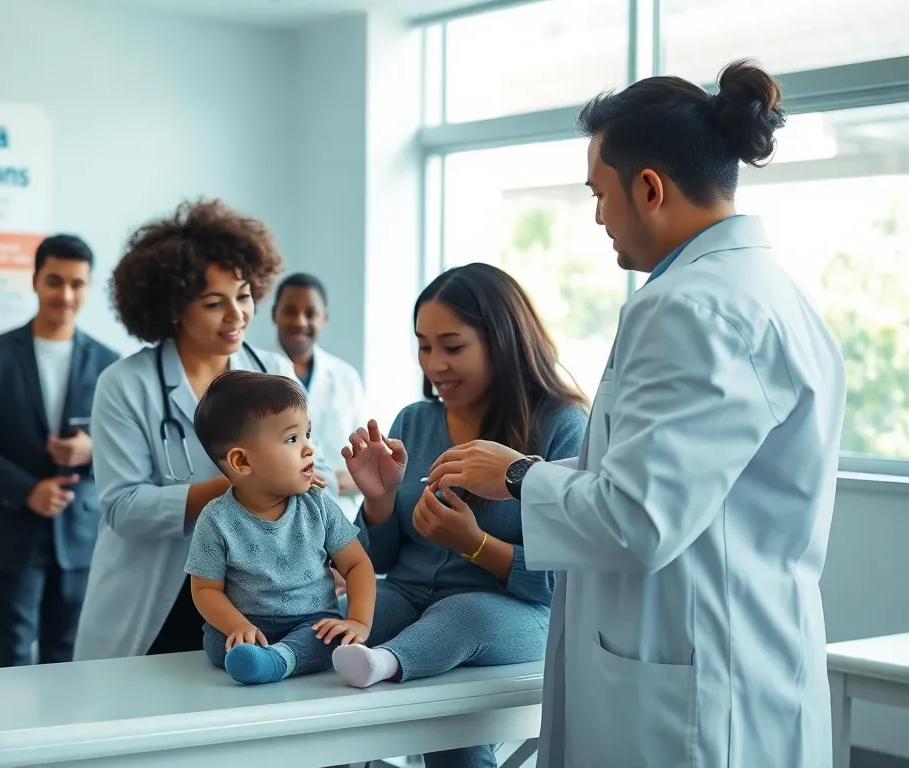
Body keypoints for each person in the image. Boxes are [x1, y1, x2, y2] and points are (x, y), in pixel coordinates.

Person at [427, 60, 846, 768]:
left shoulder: (690, 307)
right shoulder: (766, 290)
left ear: (648, 188)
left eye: (598, 193)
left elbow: (640, 518)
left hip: (692, 690)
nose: (597, 216)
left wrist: (522, 476)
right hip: (730, 653)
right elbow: (678, 481)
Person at [339, 264, 587, 768]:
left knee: (460, 616)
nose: (434, 364)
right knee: (349, 614)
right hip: (407, 597)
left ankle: (389, 662)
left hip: (512, 613)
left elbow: (565, 584)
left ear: (502, 341)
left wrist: (474, 544)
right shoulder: (414, 419)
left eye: (452, 347)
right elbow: (378, 561)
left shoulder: (562, 427)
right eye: (423, 345)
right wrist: (380, 500)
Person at [73, 199, 338, 661]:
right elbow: (122, 507)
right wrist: (238, 488)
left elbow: (310, 468)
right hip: (155, 595)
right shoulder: (125, 384)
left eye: (244, 295)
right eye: (214, 303)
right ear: (173, 308)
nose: (236, 315)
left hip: (254, 595)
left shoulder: (274, 371)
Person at [0, 234, 118, 668]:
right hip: (11, 527)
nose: (65, 295)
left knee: (70, 656)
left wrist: (92, 451)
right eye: (55, 281)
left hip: (81, 534)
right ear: (35, 281)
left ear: (88, 287)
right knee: (9, 655)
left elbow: (130, 448)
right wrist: (27, 489)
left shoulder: (109, 363)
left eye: (77, 284)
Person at [186, 371, 375, 685]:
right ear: (242, 462)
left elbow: (357, 564)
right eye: (292, 439)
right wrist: (236, 625)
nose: (309, 449)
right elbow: (205, 590)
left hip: (311, 622)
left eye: (308, 435)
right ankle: (268, 657)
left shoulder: (318, 506)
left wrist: (357, 621)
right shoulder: (216, 519)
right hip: (247, 623)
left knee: (329, 639)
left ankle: (278, 660)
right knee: (220, 643)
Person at [272, 272, 367, 501]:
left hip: (341, 514)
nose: (300, 321)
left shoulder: (346, 377)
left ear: (324, 318)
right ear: (275, 314)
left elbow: (366, 467)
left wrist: (321, 482)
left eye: (310, 313)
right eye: (290, 311)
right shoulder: (254, 374)